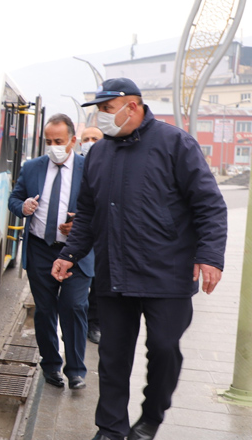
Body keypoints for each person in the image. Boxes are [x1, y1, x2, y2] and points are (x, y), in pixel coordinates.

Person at [52, 78, 227, 440]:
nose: (101, 117)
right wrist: (70, 254)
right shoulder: (99, 154)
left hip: (168, 272)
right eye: (98, 110)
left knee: (164, 348)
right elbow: (87, 213)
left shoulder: (174, 143)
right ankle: (110, 428)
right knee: (113, 358)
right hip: (114, 272)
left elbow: (209, 204)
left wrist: (210, 255)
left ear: (132, 106)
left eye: (106, 109)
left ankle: (151, 417)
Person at [9, 113, 94, 391]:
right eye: (48, 141)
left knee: (73, 306)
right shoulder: (32, 167)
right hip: (41, 249)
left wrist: (80, 223)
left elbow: (102, 208)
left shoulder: (89, 168)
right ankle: (51, 366)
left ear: (72, 140)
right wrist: (23, 208)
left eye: (59, 141)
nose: (53, 146)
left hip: (76, 252)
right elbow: (15, 198)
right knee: (45, 311)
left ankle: (76, 370)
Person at [79, 126, 103, 344]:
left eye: (95, 138)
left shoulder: (109, 164)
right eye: (86, 139)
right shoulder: (76, 166)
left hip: (102, 235)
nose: (90, 142)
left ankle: (94, 323)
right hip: (78, 234)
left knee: (98, 281)